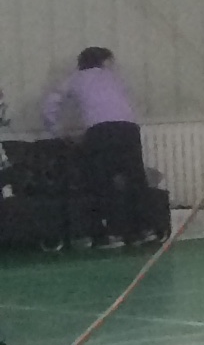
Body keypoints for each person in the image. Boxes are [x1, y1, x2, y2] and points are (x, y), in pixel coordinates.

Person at [42, 46, 150, 249]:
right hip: (128, 129)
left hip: (100, 131)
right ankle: (139, 231)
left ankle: (110, 234)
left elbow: (51, 103)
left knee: (102, 182)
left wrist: (56, 130)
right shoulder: (115, 77)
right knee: (135, 180)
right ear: (103, 61)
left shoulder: (75, 78)